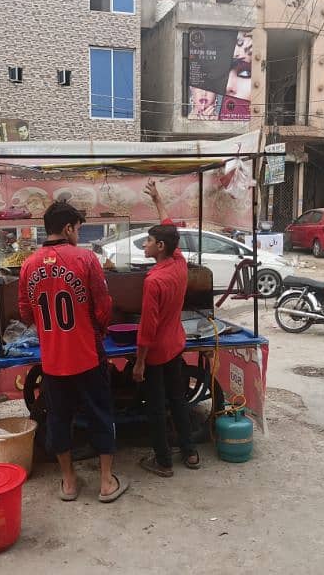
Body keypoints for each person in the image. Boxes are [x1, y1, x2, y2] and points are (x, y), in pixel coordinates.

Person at [18, 201, 128, 503]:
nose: (78, 234)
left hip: (53, 361)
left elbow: (26, 313)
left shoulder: (28, 265)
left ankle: (68, 483)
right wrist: (98, 328)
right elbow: (104, 307)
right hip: (88, 356)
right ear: (68, 228)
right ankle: (106, 483)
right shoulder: (86, 259)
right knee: (101, 414)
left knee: (58, 418)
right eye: (78, 229)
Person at [133, 182, 200, 477]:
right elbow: (169, 226)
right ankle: (190, 453)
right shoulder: (179, 262)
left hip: (157, 352)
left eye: (148, 241)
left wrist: (139, 362)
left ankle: (163, 461)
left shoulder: (154, 280)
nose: (145, 245)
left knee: (157, 407)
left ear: (160, 247)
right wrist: (158, 200)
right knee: (179, 399)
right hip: (176, 346)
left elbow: (147, 329)